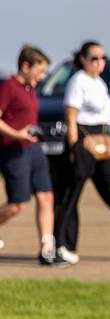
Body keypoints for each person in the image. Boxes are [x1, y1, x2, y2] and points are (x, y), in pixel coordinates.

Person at [53, 40, 110, 263]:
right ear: (83, 59)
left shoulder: (99, 83)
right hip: (83, 141)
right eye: (94, 58)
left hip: (102, 142)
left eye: (103, 58)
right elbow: (71, 115)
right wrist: (74, 147)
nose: (99, 62)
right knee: (70, 195)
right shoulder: (78, 81)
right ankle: (62, 245)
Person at [0, 45, 65, 265]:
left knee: (46, 196)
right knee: (18, 203)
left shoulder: (30, 88)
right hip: (13, 150)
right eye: (40, 70)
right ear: (26, 66)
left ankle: (47, 250)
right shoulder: (9, 87)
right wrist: (17, 134)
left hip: (34, 149)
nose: (43, 75)